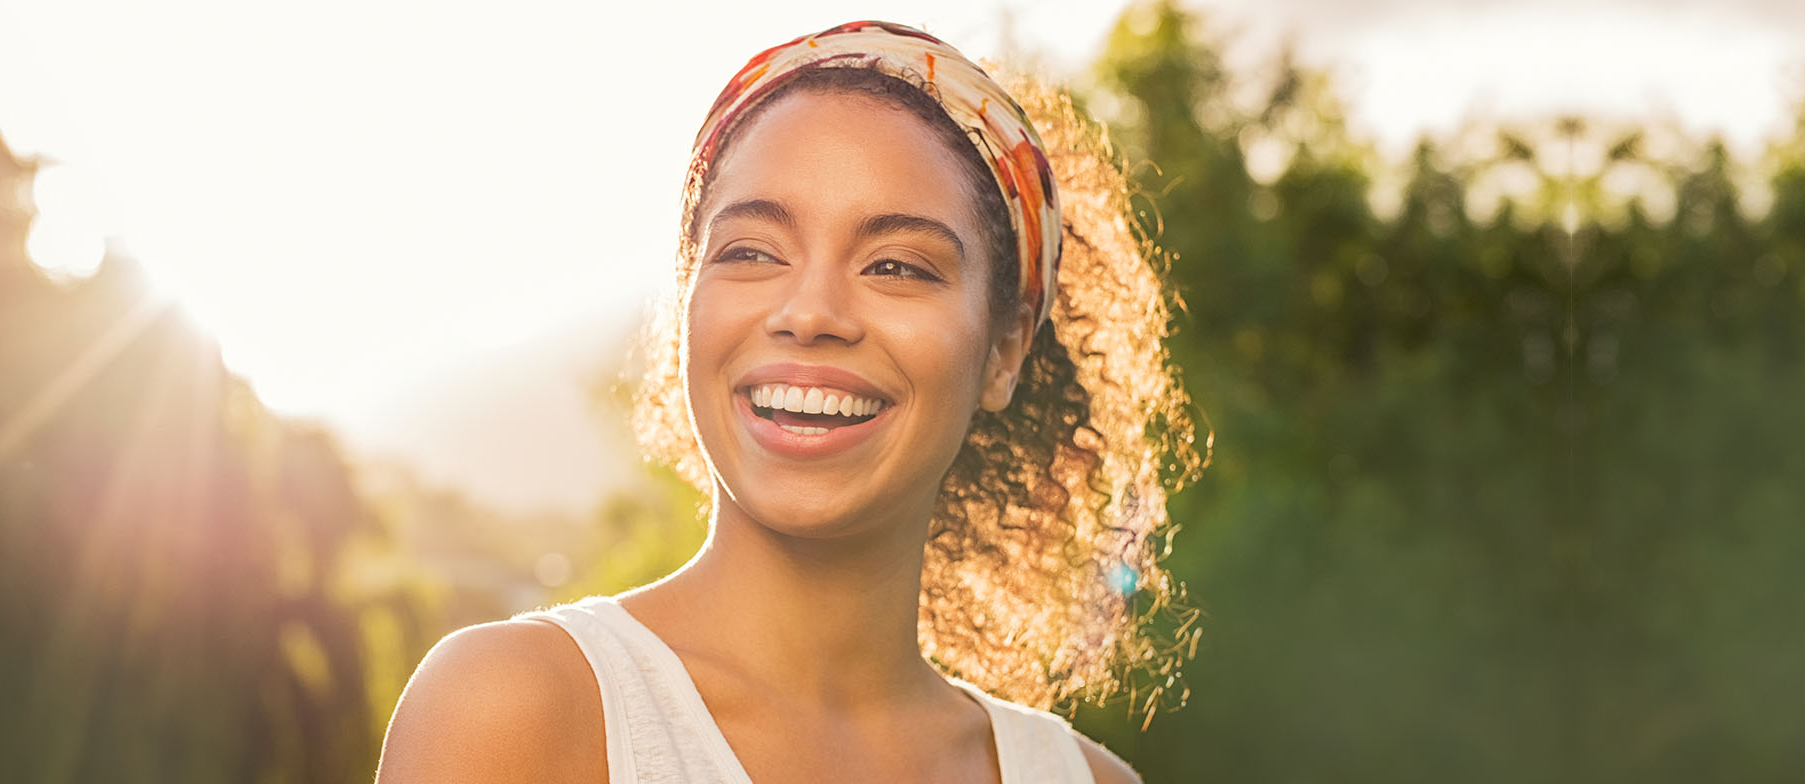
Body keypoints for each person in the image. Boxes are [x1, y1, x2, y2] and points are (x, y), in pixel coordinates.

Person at [376, 21, 1196, 783]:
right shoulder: (513, 712)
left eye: (896, 266)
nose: (808, 313)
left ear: (1005, 349)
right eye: (751, 252)